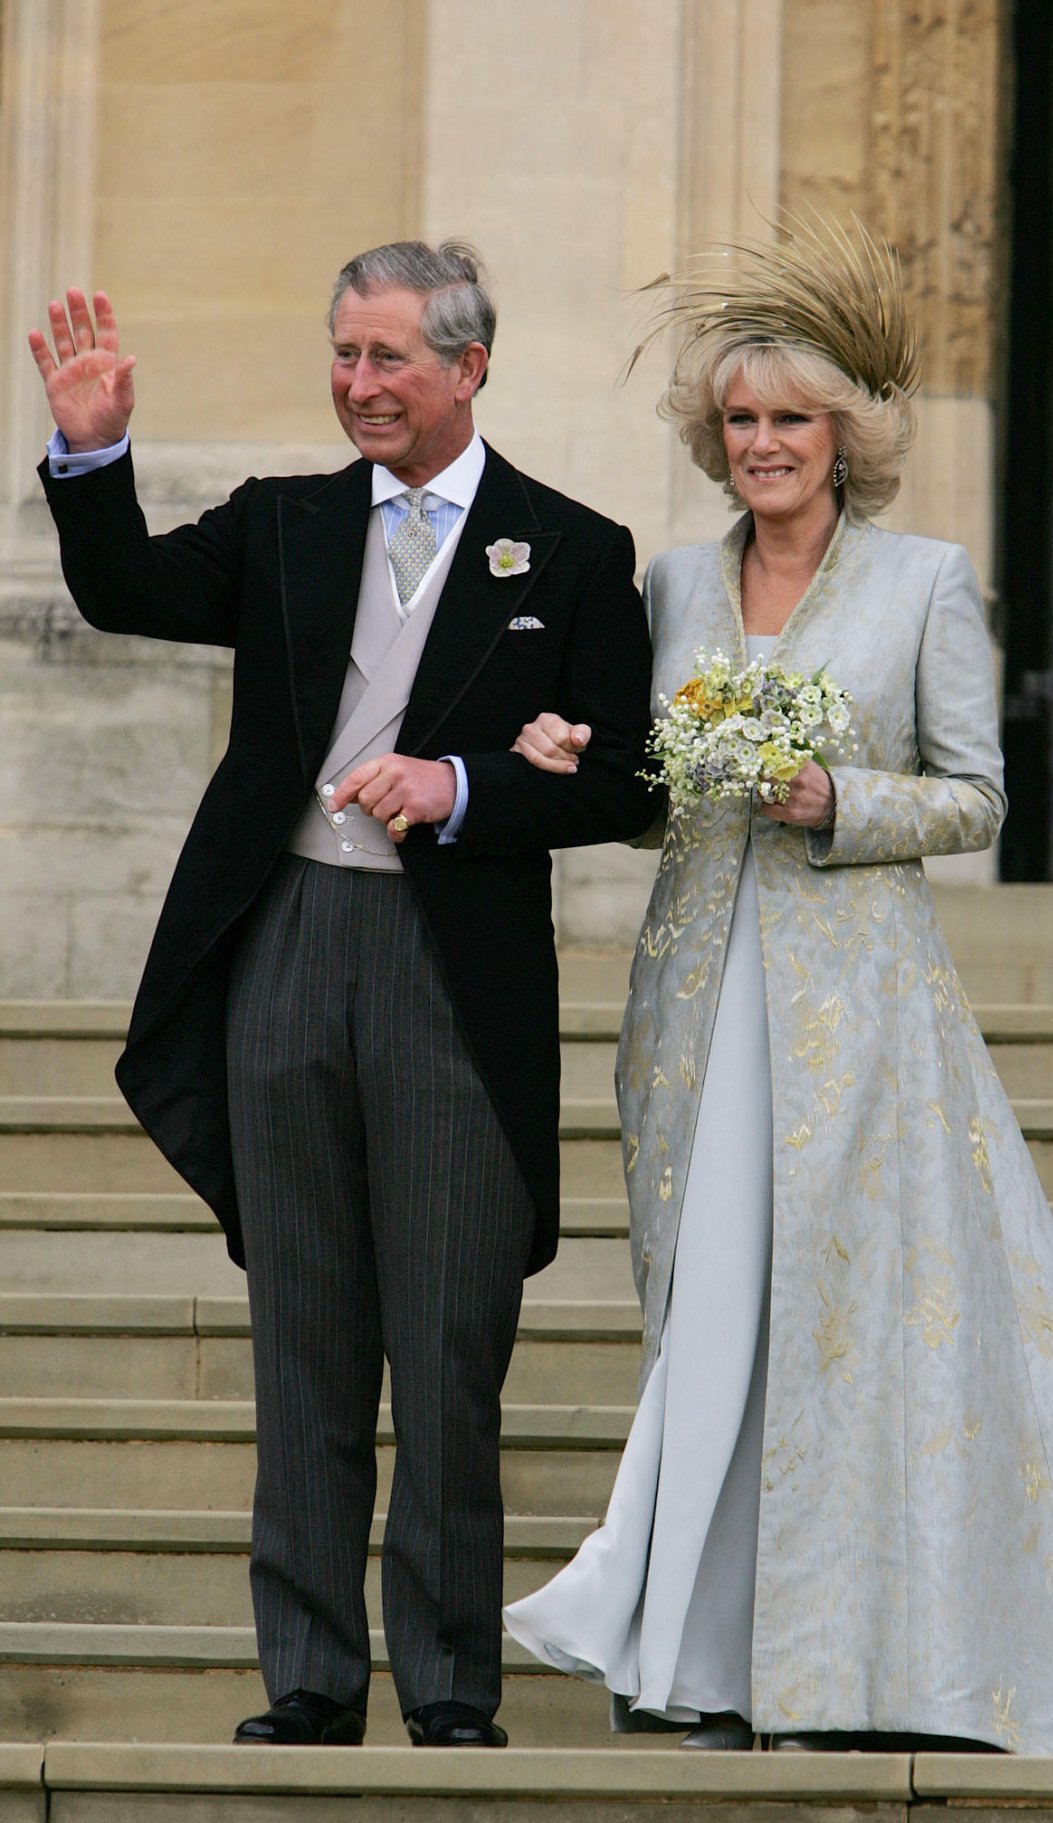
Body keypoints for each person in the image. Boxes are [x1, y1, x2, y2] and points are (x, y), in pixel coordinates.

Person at [503, 218, 1053, 1754]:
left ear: (847, 437)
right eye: (741, 420)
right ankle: (696, 1656)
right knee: (714, 1319)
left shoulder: (927, 583)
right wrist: (567, 758)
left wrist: (842, 801)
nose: (763, 445)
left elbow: (976, 795)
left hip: (858, 1019)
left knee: (833, 1322)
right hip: (695, 1008)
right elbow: (645, 782)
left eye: (791, 421)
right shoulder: (674, 585)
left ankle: (841, 1659)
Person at [29, 241, 655, 1749]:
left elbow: (630, 779)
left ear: (467, 369)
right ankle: (307, 1679)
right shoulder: (287, 525)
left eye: (388, 361)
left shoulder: (570, 549)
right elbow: (123, 593)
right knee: (304, 1330)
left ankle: (447, 1690)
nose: (358, 386)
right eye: (343, 356)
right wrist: (92, 448)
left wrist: (464, 786)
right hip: (286, 941)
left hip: (451, 973)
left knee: (446, 1348)